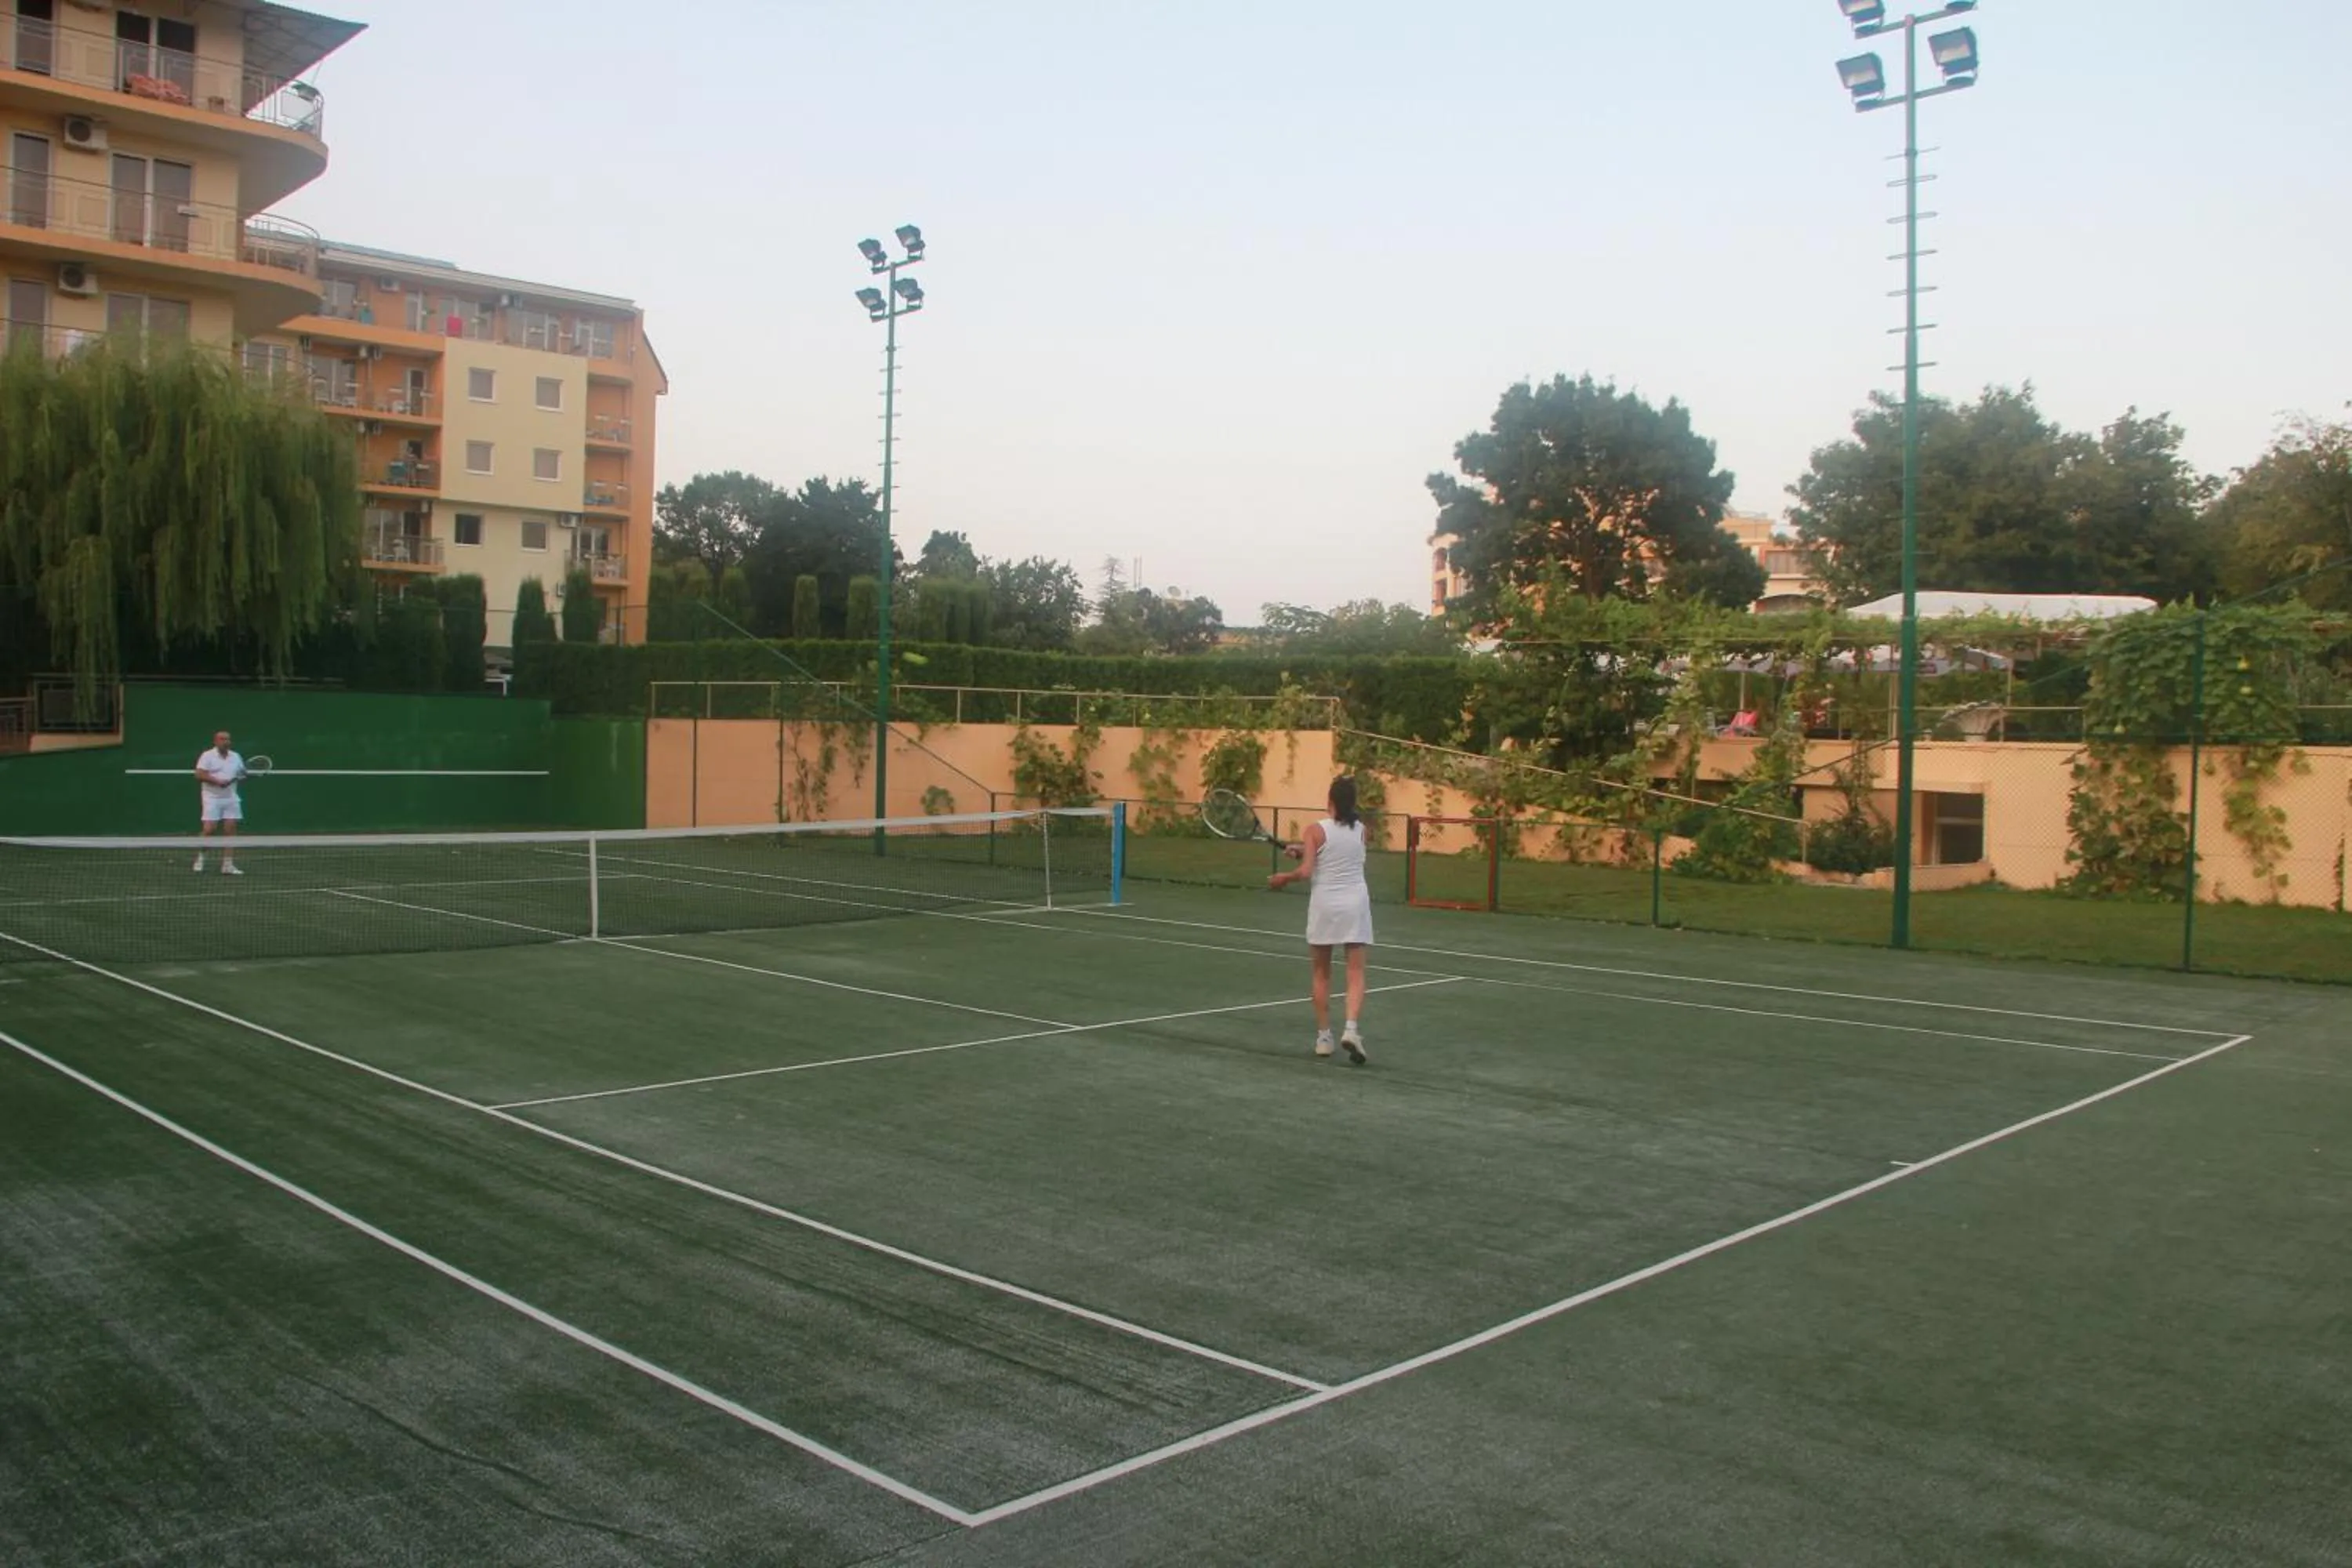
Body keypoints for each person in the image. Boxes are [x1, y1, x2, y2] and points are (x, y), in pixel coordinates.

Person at [1268, 775, 1373, 1064]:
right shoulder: (1363, 831)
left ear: (1330, 802)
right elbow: (1337, 851)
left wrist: (1283, 878)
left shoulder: (1314, 830)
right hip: (1355, 905)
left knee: (1321, 973)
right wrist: (1304, 850)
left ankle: (1324, 1037)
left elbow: (1306, 871)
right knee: (1356, 972)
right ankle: (1351, 1029)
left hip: (1325, 905)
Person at [192, 730, 245, 875]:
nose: (226, 742)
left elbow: (241, 774)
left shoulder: (236, 756)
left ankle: (227, 865)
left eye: (228, 739)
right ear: (215, 741)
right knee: (210, 829)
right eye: (222, 739)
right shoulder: (207, 755)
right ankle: (200, 858)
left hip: (231, 797)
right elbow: (199, 774)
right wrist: (217, 781)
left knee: (230, 829)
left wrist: (241, 777)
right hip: (212, 798)